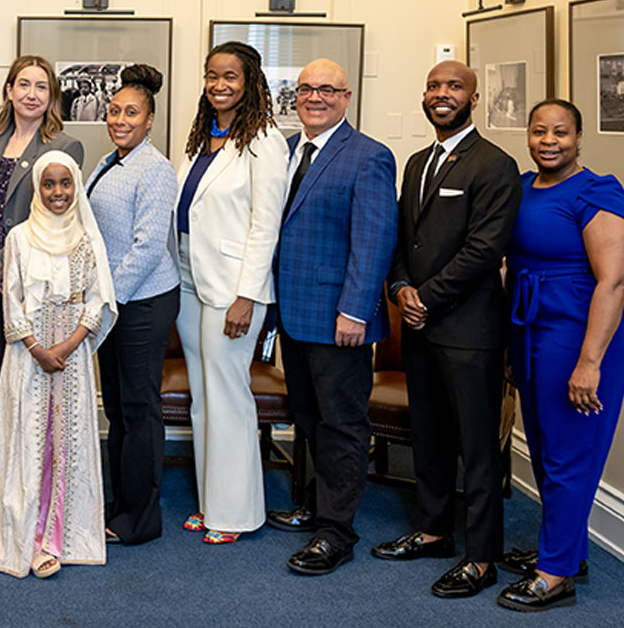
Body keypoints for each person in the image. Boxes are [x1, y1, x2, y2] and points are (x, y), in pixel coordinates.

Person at [373, 60, 522, 597]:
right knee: (429, 437)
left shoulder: (495, 164)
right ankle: (433, 530)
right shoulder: (416, 163)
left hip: (469, 332)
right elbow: (401, 238)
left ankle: (481, 558)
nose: (441, 93)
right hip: (418, 327)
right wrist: (399, 290)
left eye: (453, 86)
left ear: (474, 99)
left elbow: (485, 250)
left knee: (476, 447)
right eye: (434, 85)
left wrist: (426, 298)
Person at [496, 99, 624, 612]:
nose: (549, 141)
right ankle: (566, 551)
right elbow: (512, 262)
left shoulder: (597, 190)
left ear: (579, 138)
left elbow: (614, 280)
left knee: (569, 454)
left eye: (560, 132)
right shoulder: (521, 188)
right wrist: (514, 347)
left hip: (581, 332)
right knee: (542, 447)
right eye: (539, 132)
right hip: (532, 328)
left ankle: (554, 574)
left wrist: (590, 361)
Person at [269, 58, 398, 574]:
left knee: (342, 423)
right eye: (305, 89)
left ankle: (336, 533)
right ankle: (315, 505)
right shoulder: (288, 150)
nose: (314, 97)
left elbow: (374, 240)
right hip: (295, 314)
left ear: (346, 97)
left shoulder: (368, 156)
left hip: (338, 318)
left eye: (326, 89)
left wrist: (355, 310)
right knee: (308, 416)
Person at [0, 151, 117, 578]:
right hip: (27, 354)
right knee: (30, 438)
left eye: (65, 184)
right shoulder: (18, 237)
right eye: (49, 184)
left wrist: (68, 346)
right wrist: (37, 347)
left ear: (76, 186)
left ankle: (63, 536)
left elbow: (98, 299)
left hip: (72, 355)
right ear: (38, 187)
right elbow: (10, 298)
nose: (58, 193)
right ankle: (29, 537)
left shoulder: (88, 239)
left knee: (65, 439)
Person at [175, 42, 288, 544]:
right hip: (188, 280)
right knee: (204, 398)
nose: (219, 85)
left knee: (229, 398)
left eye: (230, 77)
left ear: (250, 82)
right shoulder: (202, 136)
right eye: (212, 75)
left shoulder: (265, 141)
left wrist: (248, 295)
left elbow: (266, 226)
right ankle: (211, 502)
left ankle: (237, 513)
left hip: (231, 291)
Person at [87, 63, 179, 545]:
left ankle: (141, 518)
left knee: (141, 408)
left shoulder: (156, 168)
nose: (121, 119)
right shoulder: (108, 162)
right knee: (119, 409)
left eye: (132, 112)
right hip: (114, 302)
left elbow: (147, 246)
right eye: (115, 110)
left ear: (149, 120)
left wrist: (109, 299)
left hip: (141, 303)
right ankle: (119, 503)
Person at [0, 56, 83, 381]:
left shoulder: (64, 147)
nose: (32, 94)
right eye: (24, 85)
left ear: (51, 95)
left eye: (41, 86)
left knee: (31, 380)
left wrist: (5, 260)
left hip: (34, 280)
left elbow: (54, 217)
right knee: (2, 374)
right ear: (9, 90)